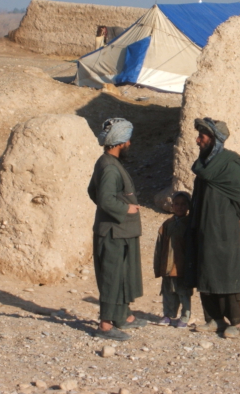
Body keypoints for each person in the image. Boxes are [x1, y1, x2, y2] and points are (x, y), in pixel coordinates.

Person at [189, 117, 240, 339]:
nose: (198, 140)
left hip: (225, 226)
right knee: (206, 272)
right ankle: (213, 319)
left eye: (203, 136)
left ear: (215, 139)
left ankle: (235, 321)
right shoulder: (203, 165)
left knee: (228, 272)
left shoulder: (230, 162)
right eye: (198, 135)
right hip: (204, 225)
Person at [88, 117, 146, 341]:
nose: (130, 144)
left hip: (120, 231)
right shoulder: (110, 168)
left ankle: (123, 316)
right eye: (127, 140)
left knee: (123, 275)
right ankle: (105, 325)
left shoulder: (106, 163)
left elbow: (93, 192)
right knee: (112, 277)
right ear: (121, 142)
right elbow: (104, 198)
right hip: (113, 232)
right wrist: (126, 209)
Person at [153, 191, 193, 328]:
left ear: (188, 206)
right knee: (167, 292)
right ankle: (168, 315)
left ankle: (185, 317)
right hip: (167, 266)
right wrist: (158, 265)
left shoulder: (190, 224)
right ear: (172, 206)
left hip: (182, 266)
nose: (180, 207)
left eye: (183, 204)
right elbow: (159, 246)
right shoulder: (167, 224)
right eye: (177, 204)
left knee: (183, 293)